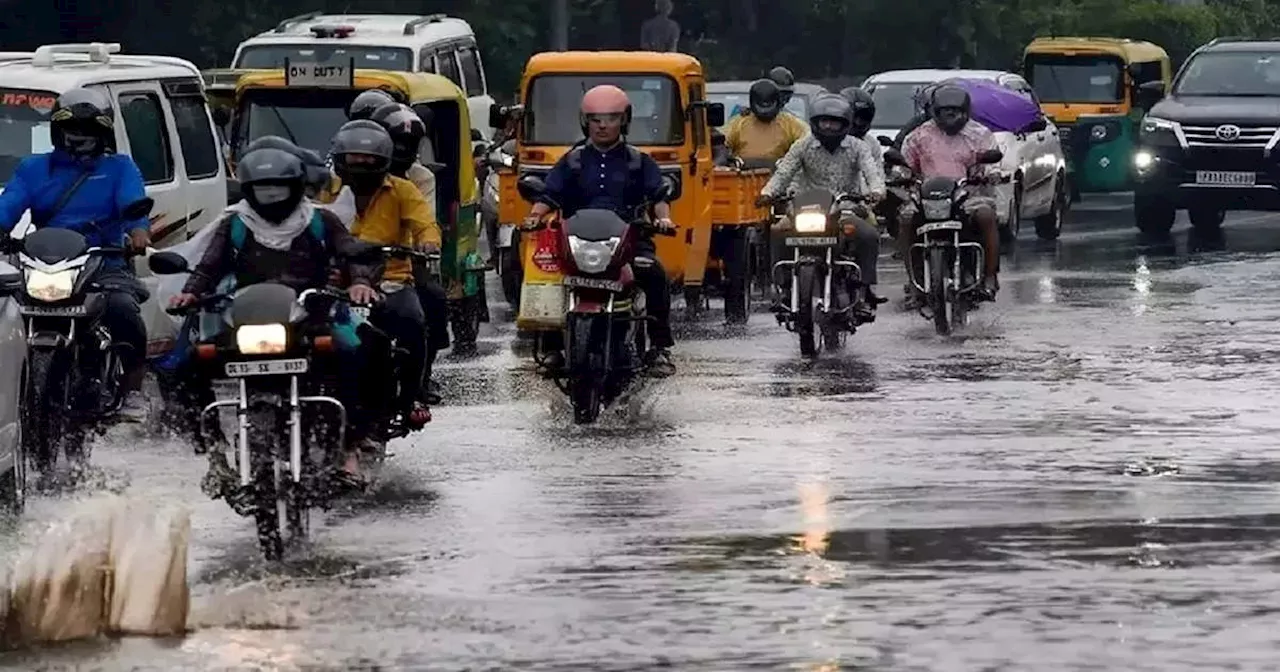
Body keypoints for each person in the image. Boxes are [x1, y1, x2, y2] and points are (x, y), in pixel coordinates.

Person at [168, 146, 379, 488]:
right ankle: (214, 451)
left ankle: (350, 449)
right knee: (187, 366)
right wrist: (190, 292)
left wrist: (358, 282)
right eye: (263, 190)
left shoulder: (321, 220)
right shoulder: (235, 223)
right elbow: (209, 266)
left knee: (357, 354)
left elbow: (351, 252)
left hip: (311, 314)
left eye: (278, 189)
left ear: (296, 186)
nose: (271, 197)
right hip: (248, 318)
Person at [0, 87, 152, 415]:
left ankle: (133, 392)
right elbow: (8, 207)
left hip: (105, 260)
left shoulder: (120, 168)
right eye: (72, 130)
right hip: (46, 262)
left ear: (104, 134)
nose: (79, 138)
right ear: (57, 132)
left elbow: (134, 207)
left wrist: (138, 232)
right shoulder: (33, 169)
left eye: (88, 131)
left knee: (124, 311)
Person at [522, 84, 678, 377]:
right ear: (585, 122)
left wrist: (664, 220)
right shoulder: (572, 160)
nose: (603, 125)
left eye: (611, 118)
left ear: (624, 120)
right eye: (595, 119)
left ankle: (659, 348)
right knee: (547, 277)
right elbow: (548, 195)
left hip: (629, 242)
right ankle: (553, 348)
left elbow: (659, 196)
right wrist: (534, 217)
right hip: (577, 243)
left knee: (654, 274)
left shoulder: (638, 161)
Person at [319, 120, 440, 428]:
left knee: (413, 322)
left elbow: (425, 223)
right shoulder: (324, 190)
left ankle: (411, 394)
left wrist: (427, 241)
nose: (361, 164)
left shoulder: (403, 190)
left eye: (369, 158)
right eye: (354, 157)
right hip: (334, 281)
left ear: (384, 159)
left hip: (392, 279)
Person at [756, 94, 884, 322]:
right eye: (824, 121)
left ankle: (864, 291)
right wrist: (767, 193)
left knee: (868, 235)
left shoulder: (858, 147)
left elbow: (871, 172)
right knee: (778, 231)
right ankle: (784, 288)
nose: (829, 126)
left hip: (846, 208)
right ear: (815, 122)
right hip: (808, 208)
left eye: (834, 122)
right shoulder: (802, 145)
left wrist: (875, 191)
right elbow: (784, 172)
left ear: (845, 124)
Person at [369, 102, 450, 403]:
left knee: (430, 303)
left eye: (410, 144)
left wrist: (427, 243)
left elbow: (425, 221)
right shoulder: (339, 179)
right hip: (349, 266)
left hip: (399, 261)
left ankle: (419, 378)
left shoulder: (414, 182)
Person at [900, 84, 1002, 300]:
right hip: (928, 198)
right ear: (934, 112)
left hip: (970, 196)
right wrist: (901, 175)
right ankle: (914, 280)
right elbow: (905, 165)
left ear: (966, 112)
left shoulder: (980, 134)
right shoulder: (918, 136)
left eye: (955, 112)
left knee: (986, 215)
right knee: (906, 218)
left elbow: (993, 164)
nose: (951, 117)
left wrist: (990, 174)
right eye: (945, 112)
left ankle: (990, 276)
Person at [723, 79, 809, 162]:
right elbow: (721, 145)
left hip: (781, 173)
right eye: (761, 108)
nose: (765, 114)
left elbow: (807, 143)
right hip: (741, 175)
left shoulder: (791, 124)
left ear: (778, 103)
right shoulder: (738, 123)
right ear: (752, 103)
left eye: (768, 108)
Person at [839, 86, 884, 193]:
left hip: (861, 202)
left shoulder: (871, 144)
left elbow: (877, 176)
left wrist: (877, 192)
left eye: (863, 118)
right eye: (855, 117)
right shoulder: (824, 140)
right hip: (826, 202)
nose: (858, 122)